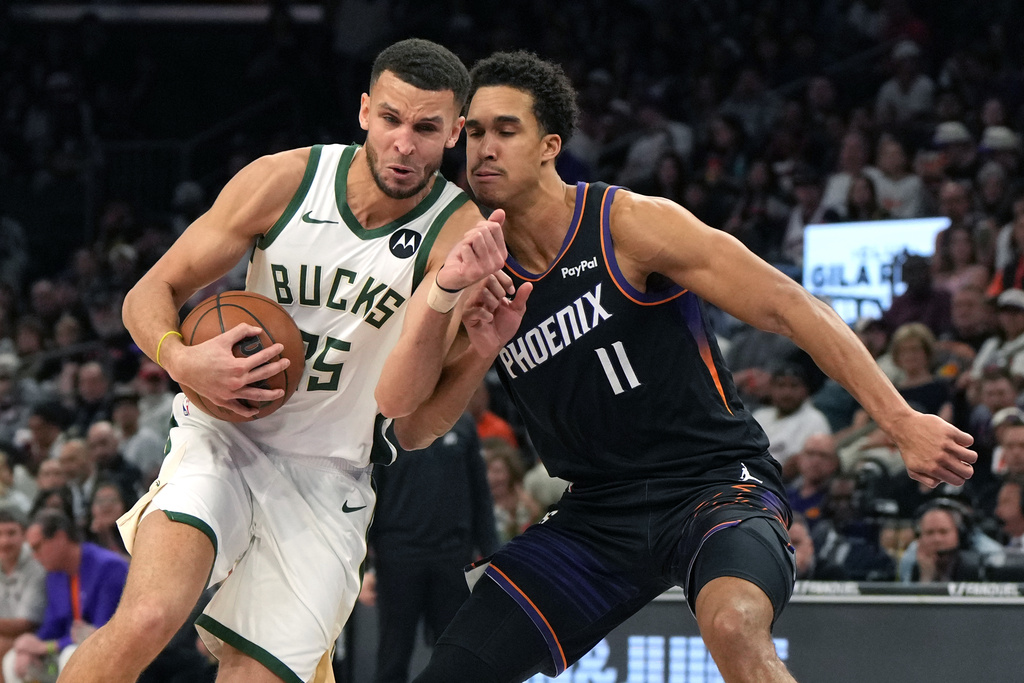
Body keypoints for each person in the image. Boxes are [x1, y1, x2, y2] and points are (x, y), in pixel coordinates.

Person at [410, 51, 975, 683]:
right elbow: (412, 429)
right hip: (595, 512)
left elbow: (792, 308)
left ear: (549, 145)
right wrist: (473, 343)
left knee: (734, 625)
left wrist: (900, 421)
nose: (484, 147)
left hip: (711, 483)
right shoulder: (465, 270)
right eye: (475, 131)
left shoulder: (628, 224)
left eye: (505, 130)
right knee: (455, 670)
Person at [58, 39, 509, 683]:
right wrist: (182, 360)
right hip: (225, 436)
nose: (404, 144)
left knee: (255, 673)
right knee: (150, 615)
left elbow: (408, 420)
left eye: (426, 128)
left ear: (456, 133)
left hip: (331, 476)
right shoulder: (285, 180)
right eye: (390, 119)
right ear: (363, 112)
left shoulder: (459, 236)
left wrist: (445, 301)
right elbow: (147, 293)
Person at [360, 413, 498, 683]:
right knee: (393, 653)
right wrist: (364, 568)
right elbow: (370, 496)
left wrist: (493, 556)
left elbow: (480, 493)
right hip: (398, 557)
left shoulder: (463, 423)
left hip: (453, 556)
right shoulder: (386, 423)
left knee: (453, 653)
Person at [3, 509, 128, 683]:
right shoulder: (55, 574)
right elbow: (52, 625)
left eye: (37, 547)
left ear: (60, 538)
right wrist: (30, 645)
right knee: (13, 660)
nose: (35, 556)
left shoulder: (108, 567)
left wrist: (47, 646)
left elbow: (102, 631)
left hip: (113, 652)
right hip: (67, 647)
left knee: (71, 656)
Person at [0, 507, 47, 666]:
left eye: (11, 533)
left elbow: (26, 623)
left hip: (35, 637)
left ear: (24, 535)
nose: (4, 541)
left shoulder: (37, 566)